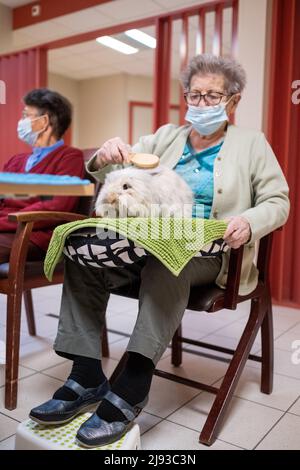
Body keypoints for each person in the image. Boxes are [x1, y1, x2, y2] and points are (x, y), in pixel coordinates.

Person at [30, 54, 290, 448]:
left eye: (211, 96)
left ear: (233, 101)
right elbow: (114, 173)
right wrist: (104, 155)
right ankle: (85, 375)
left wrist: (250, 221)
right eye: (194, 95)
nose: (200, 104)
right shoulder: (165, 137)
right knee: (82, 249)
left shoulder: (251, 144)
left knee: (171, 257)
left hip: (212, 253)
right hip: (144, 242)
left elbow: (278, 200)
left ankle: (133, 383)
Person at [0, 88, 85, 263]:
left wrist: (3, 222)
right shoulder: (16, 160)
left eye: (26, 115)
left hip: (33, 234)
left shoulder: (70, 157)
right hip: (6, 229)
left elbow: (55, 206)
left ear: (44, 122)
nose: (21, 121)